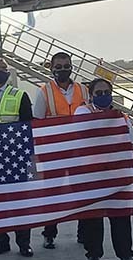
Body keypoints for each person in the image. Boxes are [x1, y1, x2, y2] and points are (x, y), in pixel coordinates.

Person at [74, 78, 133, 260]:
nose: (103, 97)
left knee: (121, 215)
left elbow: (132, 143)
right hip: (91, 174)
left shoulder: (121, 117)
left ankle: (125, 253)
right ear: (91, 95)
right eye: (99, 93)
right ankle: (93, 253)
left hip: (117, 173)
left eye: (106, 93)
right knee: (93, 216)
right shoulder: (83, 111)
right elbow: (83, 134)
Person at [0, 57, 35, 257]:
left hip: (16, 156)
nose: (0, 71)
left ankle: (24, 243)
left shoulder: (20, 95)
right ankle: (1, 241)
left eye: (3, 68)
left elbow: (29, 126)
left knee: (21, 201)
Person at [33, 52, 90, 249]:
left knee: (82, 192)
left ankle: (84, 233)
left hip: (79, 152)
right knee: (52, 194)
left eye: (66, 65)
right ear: (51, 68)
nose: (63, 69)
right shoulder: (44, 92)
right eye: (59, 66)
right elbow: (37, 123)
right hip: (54, 153)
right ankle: (49, 233)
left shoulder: (84, 90)